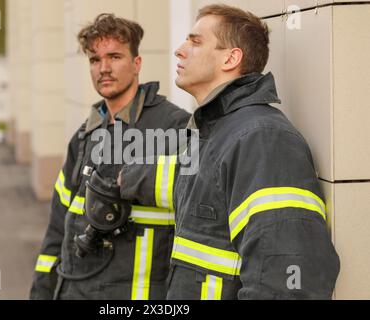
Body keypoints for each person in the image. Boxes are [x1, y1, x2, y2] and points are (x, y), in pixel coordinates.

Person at [119, 4, 340, 299]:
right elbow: (185, 182)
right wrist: (124, 180)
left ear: (231, 58)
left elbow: (289, 279)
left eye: (195, 42)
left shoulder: (263, 140)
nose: (180, 51)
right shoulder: (217, 132)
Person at [30, 13, 190, 300]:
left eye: (114, 56)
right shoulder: (84, 137)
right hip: (75, 288)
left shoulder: (174, 127)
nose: (103, 68)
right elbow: (56, 230)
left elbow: (199, 219)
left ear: (137, 63)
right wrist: (41, 292)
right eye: (94, 59)